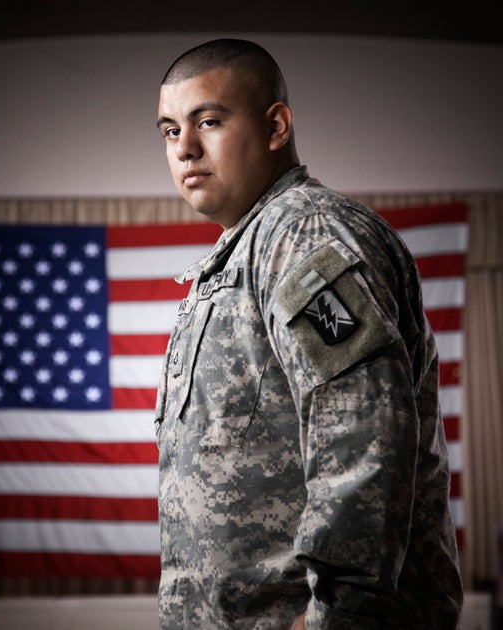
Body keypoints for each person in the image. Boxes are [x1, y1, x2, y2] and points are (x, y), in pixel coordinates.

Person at [153, 38, 463, 629]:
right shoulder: (242, 252)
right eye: (169, 131)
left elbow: (363, 440)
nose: (185, 149)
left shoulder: (304, 235)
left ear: (276, 127)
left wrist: (338, 616)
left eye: (209, 121)